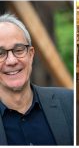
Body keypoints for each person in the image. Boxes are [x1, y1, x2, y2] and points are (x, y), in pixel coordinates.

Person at [0, 13, 73, 145]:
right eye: (0, 53)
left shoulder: (70, 103)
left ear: (31, 54)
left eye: (19, 49)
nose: (11, 61)